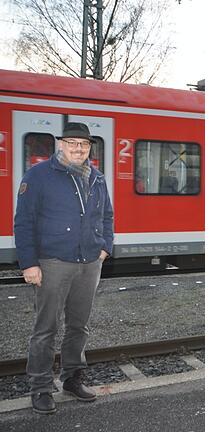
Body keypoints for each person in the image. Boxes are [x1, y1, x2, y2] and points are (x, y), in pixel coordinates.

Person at [14, 122, 114, 414]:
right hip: (53, 262)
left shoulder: (96, 177)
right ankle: (41, 387)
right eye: (72, 143)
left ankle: (72, 378)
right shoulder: (39, 176)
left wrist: (104, 246)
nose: (78, 148)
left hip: (89, 262)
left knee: (78, 326)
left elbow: (107, 215)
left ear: (89, 148)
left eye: (83, 144)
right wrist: (29, 263)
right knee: (46, 328)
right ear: (60, 144)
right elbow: (23, 222)